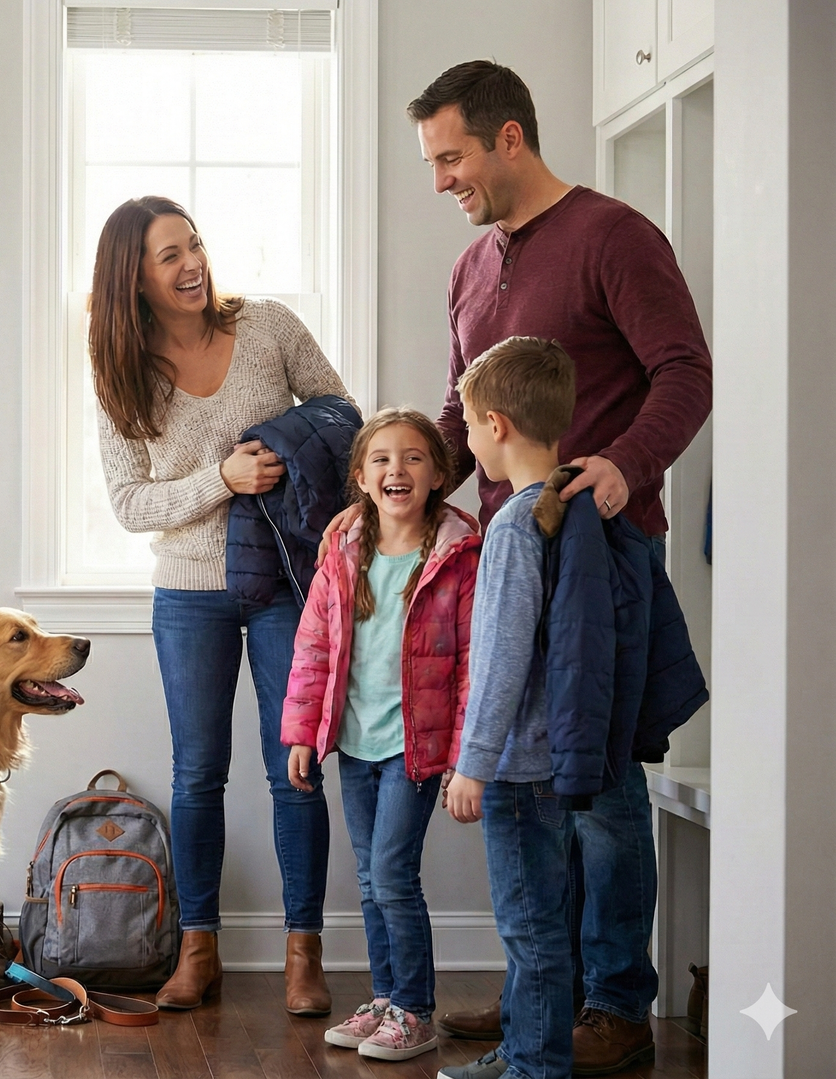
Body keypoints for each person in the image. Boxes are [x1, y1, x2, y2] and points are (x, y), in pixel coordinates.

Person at [325, 60, 712, 1075]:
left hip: (600, 550)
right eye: (430, 161)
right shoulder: (469, 270)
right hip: (503, 556)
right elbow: (461, 419)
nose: (440, 178)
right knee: (531, 783)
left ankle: (614, 1002)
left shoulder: (612, 238)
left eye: (450, 156)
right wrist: (395, 496)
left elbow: (682, 369)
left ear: (508, 138)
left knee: (599, 782)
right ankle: (542, 996)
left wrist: (625, 467)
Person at [92, 196, 355, 1015]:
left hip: (283, 583)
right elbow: (129, 502)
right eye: (168, 256)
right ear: (131, 281)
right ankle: (196, 948)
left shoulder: (269, 327)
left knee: (296, 771)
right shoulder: (120, 375)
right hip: (188, 594)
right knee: (197, 776)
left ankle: (302, 954)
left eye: (193, 245)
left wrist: (282, 447)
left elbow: (345, 415)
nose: (190, 264)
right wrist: (223, 479)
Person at [281, 407, 480, 1062]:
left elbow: (471, 664)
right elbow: (313, 648)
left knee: (392, 871)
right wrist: (304, 731)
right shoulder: (342, 551)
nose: (397, 468)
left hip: (413, 746)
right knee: (369, 877)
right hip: (355, 742)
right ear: (362, 476)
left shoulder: (457, 554)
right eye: (382, 458)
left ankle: (416, 1008)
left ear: (438, 474)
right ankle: (387, 997)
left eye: (414, 456)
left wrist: (461, 755)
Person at [440, 337, 580, 1079]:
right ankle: (530, 1053)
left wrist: (473, 762)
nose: (464, 441)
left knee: (528, 929)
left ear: (495, 424)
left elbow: (500, 658)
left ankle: (533, 1067)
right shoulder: (568, 501)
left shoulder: (512, 525)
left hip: (519, 766)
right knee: (546, 926)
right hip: (558, 755)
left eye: (464, 426)